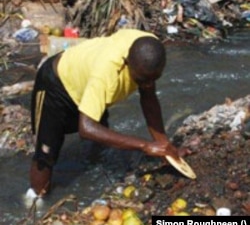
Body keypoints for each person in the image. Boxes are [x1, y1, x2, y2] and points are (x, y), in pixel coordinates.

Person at [28, 28, 181, 198]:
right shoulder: (106, 73)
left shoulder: (148, 50)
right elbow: (86, 128)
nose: (147, 85)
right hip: (56, 86)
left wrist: (165, 147)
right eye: (141, 80)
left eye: (154, 79)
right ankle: (36, 201)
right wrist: (145, 145)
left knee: (102, 138)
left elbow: (149, 99)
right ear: (126, 63)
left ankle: (91, 173)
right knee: (46, 154)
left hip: (86, 82)